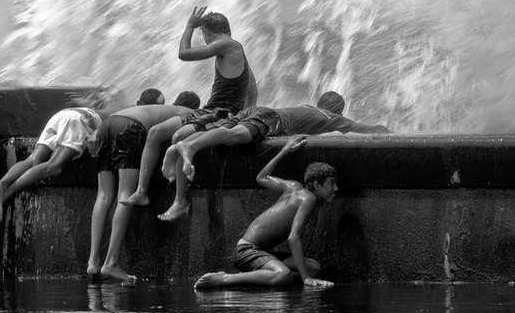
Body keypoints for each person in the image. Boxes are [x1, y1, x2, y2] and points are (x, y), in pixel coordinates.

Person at [156, 91, 388, 221]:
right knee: (233, 135)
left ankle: (181, 160)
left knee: (222, 132)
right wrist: (388, 129)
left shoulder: (306, 106)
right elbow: (368, 129)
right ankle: (190, 147)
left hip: (257, 111)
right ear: (339, 110)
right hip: (269, 119)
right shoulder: (332, 117)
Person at [123, 6, 258, 207]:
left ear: (207, 32)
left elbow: (184, 53)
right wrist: (246, 114)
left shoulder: (226, 44)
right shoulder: (235, 48)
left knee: (179, 136)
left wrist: (189, 26)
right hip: (209, 109)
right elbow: (253, 90)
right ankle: (141, 192)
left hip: (220, 112)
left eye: (202, 33)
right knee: (156, 132)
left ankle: (180, 201)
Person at [0, 87, 164, 226]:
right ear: (144, 104)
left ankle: (2, 185)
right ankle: (4, 197)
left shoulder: (126, 105)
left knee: (33, 159)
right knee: (53, 166)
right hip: (81, 121)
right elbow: (115, 123)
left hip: (65, 114)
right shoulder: (139, 112)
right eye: (159, 105)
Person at [193, 135, 336, 289]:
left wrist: (285, 149)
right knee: (284, 275)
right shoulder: (308, 199)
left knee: (314, 267)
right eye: (331, 184)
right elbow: (293, 238)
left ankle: (258, 277)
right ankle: (225, 278)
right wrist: (306, 278)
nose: (336, 189)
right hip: (246, 251)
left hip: (262, 252)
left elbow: (262, 177)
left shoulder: (293, 187)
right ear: (316, 184)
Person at [86, 92, 201, 281]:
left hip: (109, 125)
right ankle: (111, 263)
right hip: (129, 129)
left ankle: (93, 262)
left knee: (104, 196)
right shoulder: (188, 113)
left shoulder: (154, 108)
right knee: (125, 193)